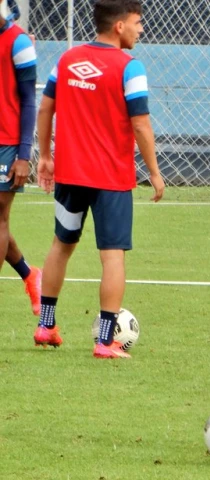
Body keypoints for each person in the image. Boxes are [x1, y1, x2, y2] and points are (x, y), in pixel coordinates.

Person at [35, 0, 164, 358]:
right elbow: (140, 122)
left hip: (70, 175)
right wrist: (154, 172)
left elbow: (46, 107)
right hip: (111, 179)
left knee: (61, 245)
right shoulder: (130, 66)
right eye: (138, 23)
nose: (141, 30)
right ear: (120, 25)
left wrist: (45, 156)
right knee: (112, 257)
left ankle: (46, 326)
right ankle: (105, 340)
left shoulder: (67, 59)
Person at [0, 0, 42, 317]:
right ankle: (30, 274)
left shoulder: (19, 42)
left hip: (7, 144)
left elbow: (29, 102)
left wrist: (24, 154)